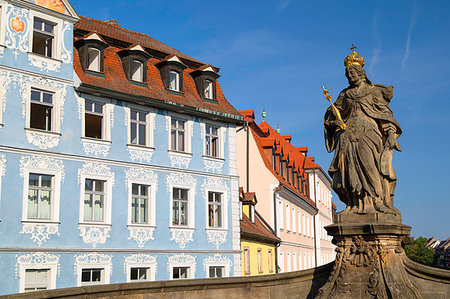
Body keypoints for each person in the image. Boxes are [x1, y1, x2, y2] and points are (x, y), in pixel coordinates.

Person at [324, 49, 402, 215]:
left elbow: (385, 114)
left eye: (352, 72)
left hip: (368, 133)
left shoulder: (372, 91)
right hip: (347, 135)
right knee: (348, 169)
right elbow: (333, 113)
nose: (350, 75)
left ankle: (377, 202)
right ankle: (353, 204)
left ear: (361, 73)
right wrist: (334, 121)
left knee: (369, 166)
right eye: (347, 73)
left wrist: (389, 133)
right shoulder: (344, 94)